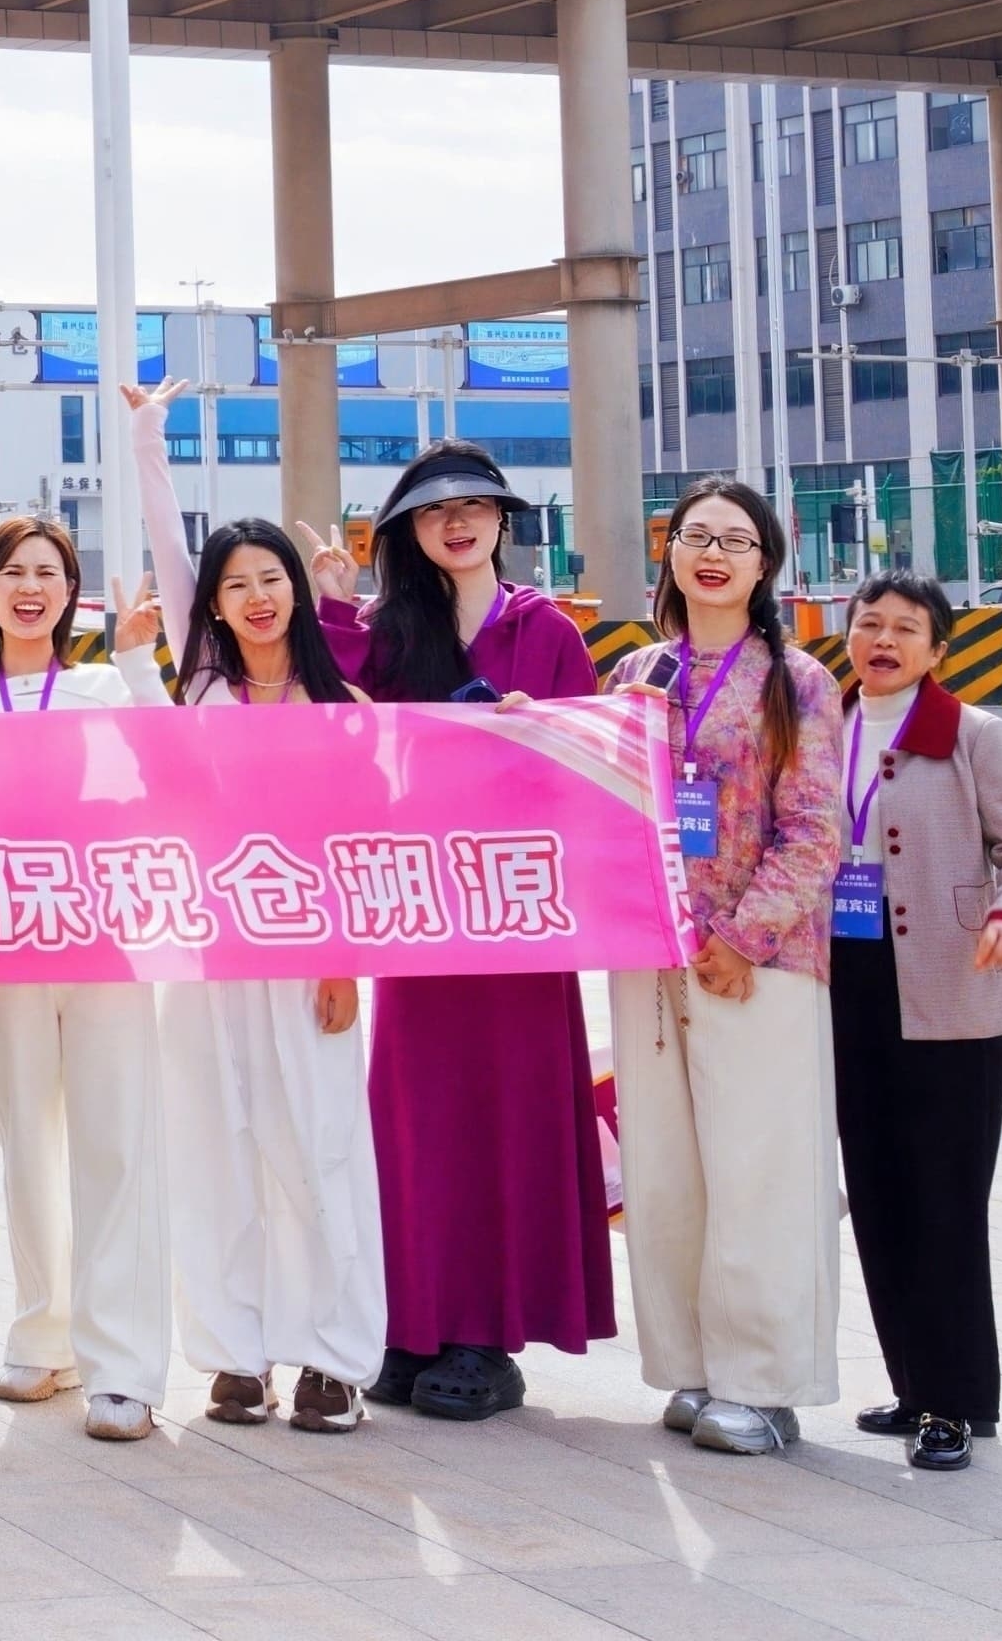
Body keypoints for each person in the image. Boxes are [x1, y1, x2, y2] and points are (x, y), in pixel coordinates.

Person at [303, 440, 611, 1423]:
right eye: (436, 511)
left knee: (510, 1116)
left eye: (476, 506)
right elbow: (326, 719)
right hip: (424, 911)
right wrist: (331, 603)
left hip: (518, 917)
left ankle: (487, 1336)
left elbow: (594, 770)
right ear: (408, 531)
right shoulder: (389, 630)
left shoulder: (546, 630)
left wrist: (538, 738)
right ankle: (416, 1322)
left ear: (502, 521)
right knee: (416, 1116)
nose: (458, 522)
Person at [0, 504, 171, 1440]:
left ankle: (124, 1366)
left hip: (103, 943)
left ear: (71, 592)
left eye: (47, 573)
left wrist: (140, 662)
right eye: (12, 572)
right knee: (25, 1146)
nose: (29, 589)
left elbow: (177, 767)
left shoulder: (103, 687)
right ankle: (43, 1335)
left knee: (115, 1144)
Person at [611, 475, 847, 1458]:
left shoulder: (798, 680)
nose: (712, 554)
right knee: (666, 1172)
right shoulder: (637, 675)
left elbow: (816, 830)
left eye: (734, 541)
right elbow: (603, 802)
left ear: (763, 566)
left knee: (760, 1171)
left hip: (759, 963)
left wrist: (741, 937)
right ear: (668, 552)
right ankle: (693, 1366)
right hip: (650, 959)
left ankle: (763, 1383)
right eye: (695, 536)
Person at [829, 572, 1002, 1472]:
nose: (883, 641)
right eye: (869, 624)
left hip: (951, 988)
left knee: (946, 1200)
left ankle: (956, 1403)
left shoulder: (972, 736)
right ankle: (913, 1385)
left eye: (905, 628)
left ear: (936, 649)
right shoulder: (819, 729)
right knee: (878, 1193)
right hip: (845, 986)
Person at [158, 510, 381, 1435]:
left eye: (270, 578)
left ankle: (335, 1359)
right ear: (212, 602)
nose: (257, 597)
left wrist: (343, 961)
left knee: (320, 1150)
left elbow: (362, 844)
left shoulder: (342, 705)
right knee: (216, 1149)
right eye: (235, 583)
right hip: (210, 962)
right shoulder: (197, 702)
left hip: (309, 964)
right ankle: (234, 1354)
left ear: (296, 588)